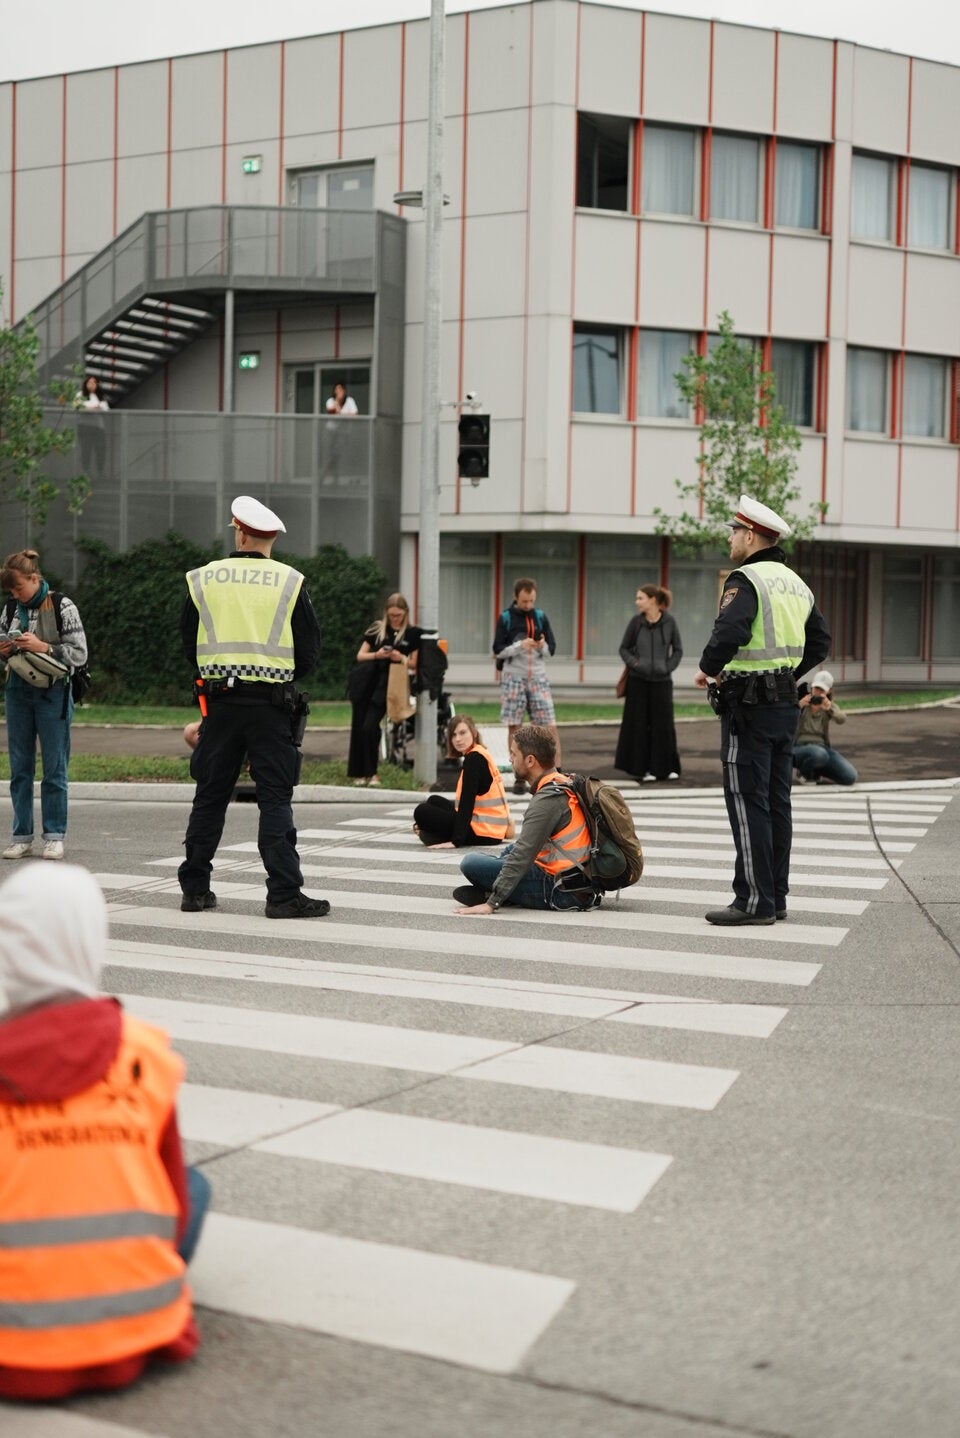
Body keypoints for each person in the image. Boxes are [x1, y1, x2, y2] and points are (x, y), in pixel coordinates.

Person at [0, 863, 207, 1401]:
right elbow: (176, 1209)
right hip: (138, 1333)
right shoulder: (141, 1053)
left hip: (11, 1354)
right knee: (194, 1183)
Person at [177, 495, 329, 920]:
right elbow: (310, 652)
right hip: (271, 706)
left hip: (219, 704)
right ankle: (283, 895)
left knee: (209, 796)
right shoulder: (289, 581)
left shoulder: (204, 578)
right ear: (271, 537)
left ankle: (195, 889)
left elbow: (189, 642)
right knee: (275, 800)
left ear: (239, 532)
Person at [693, 494, 831, 926]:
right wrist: (787, 673)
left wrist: (707, 669)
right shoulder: (796, 583)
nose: (731, 538)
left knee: (747, 800)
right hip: (784, 706)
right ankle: (776, 895)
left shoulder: (746, 577)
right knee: (776, 800)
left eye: (734, 531)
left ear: (750, 535)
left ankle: (754, 901)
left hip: (748, 708)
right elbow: (821, 642)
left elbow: (730, 629)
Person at [454, 723, 599, 915]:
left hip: (561, 890)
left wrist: (493, 902)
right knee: (510, 849)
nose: (510, 758)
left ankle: (494, 893)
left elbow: (524, 854)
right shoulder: (563, 782)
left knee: (471, 863)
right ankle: (501, 890)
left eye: (514, 754)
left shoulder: (547, 800)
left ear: (530, 760)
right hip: (575, 880)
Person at [0, 549, 88, 862]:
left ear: (35, 579)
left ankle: (54, 836)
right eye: (11, 591)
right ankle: (21, 837)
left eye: (19, 588)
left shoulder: (63, 605)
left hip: (53, 694)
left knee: (54, 768)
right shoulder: (11, 607)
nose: (15, 595)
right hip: (18, 691)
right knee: (19, 770)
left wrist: (43, 647)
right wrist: (5, 648)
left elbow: (79, 655)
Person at [492, 578, 560, 793]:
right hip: (514, 677)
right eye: (524, 601)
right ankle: (519, 775)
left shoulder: (540, 616)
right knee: (514, 725)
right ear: (516, 597)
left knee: (548, 725)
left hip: (538, 676)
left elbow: (551, 650)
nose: (528, 605)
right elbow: (498, 650)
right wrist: (520, 646)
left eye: (531, 601)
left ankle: (555, 770)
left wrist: (541, 645)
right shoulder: (506, 617)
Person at [347, 592, 420, 786]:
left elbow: (414, 663)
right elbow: (360, 655)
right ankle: (360, 772)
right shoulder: (378, 629)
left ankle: (373, 772)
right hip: (367, 682)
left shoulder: (412, 633)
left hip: (390, 686)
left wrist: (400, 657)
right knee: (360, 728)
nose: (395, 618)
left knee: (370, 726)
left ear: (405, 613)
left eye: (398, 615)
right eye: (392, 615)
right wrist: (378, 655)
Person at [615, 583, 682, 783]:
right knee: (638, 724)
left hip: (662, 682)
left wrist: (667, 667)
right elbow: (623, 649)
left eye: (640, 598)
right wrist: (636, 664)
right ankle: (641, 769)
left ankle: (665, 768)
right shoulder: (636, 623)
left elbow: (678, 650)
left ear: (653, 600)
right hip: (638, 682)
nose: (637, 602)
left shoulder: (670, 622)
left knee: (664, 725)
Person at [413, 715, 513, 848]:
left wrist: (456, 841)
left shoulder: (474, 760)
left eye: (462, 733)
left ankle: (432, 834)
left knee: (421, 811)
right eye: (454, 735)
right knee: (434, 800)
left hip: (483, 832)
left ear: (474, 733)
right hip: (491, 828)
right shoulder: (480, 753)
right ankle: (430, 834)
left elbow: (467, 802)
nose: (458, 739)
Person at [792, 669, 857, 785]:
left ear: (828, 691)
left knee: (850, 776)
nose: (817, 692)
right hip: (798, 747)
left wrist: (830, 709)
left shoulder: (828, 706)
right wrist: (799, 705)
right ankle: (803, 772)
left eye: (821, 690)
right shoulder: (802, 702)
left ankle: (816, 768)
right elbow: (787, 717)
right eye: (816, 688)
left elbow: (841, 719)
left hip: (822, 748)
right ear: (812, 687)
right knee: (819, 754)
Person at [73, 374, 110, 478]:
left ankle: (100, 471)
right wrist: (94, 408)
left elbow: (105, 409)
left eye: (94, 382)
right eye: (89, 382)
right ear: (85, 384)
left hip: (99, 427)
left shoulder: (100, 396)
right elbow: (78, 407)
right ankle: (86, 471)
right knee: (86, 449)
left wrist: (89, 408)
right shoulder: (80, 394)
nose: (92, 384)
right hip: (85, 427)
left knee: (101, 449)